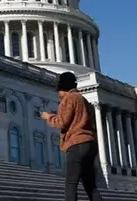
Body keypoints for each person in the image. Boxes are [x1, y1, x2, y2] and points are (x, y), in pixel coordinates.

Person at [40, 72, 101, 201]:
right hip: (90, 143)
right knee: (90, 185)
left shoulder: (69, 99)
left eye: (58, 90)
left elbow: (62, 122)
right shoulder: (84, 100)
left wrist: (48, 117)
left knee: (71, 183)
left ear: (63, 88)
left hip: (76, 143)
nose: (58, 94)